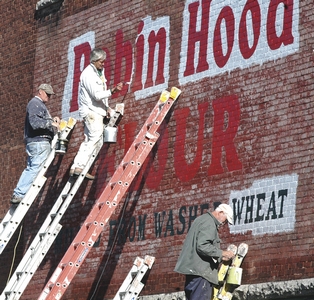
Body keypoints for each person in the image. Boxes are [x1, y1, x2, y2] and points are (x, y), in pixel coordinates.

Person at [69, 48, 123, 180]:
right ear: (94, 60)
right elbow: (97, 95)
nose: (103, 64)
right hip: (91, 112)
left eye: (104, 61)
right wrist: (113, 90)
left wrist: (107, 109)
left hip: (96, 110)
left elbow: (99, 98)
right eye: (101, 61)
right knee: (94, 139)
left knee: (88, 140)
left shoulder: (98, 72)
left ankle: (76, 167)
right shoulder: (88, 74)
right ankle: (80, 166)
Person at [10, 84, 60, 204]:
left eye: (50, 95)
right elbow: (35, 123)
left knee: (32, 168)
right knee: (34, 169)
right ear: (40, 92)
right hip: (39, 142)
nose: (49, 97)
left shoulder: (38, 105)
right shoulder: (35, 103)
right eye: (47, 94)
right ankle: (19, 194)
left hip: (37, 142)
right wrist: (51, 123)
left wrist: (51, 121)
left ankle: (19, 193)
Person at [174, 203, 235, 300]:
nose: (225, 224)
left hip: (194, 272)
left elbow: (201, 245)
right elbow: (203, 246)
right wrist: (222, 253)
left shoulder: (202, 219)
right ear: (220, 212)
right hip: (201, 274)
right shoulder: (210, 223)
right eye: (226, 220)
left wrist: (219, 257)